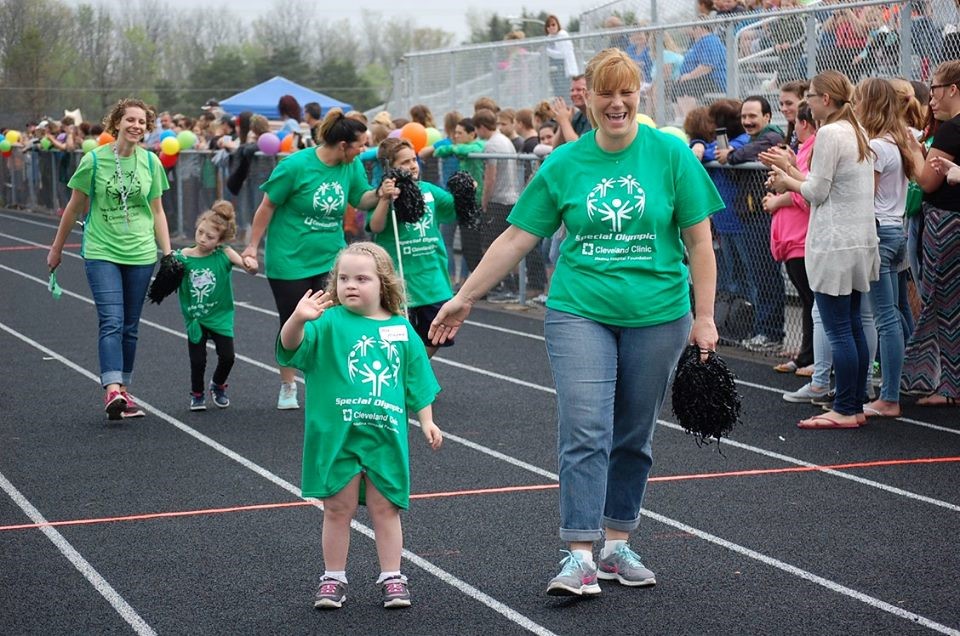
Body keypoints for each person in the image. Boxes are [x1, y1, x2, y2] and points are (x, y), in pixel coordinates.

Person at [429, 48, 723, 596]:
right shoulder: (564, 163)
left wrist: (704, 318)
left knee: (634, 435)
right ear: (587, 99)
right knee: (586, 427)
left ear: (641, 95)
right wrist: (464, 295)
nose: (617, 103)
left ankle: (616, 545)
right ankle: (580, 554)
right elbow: (518, 237)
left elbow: (700, 243)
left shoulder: (671, 155)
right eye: (605, 93)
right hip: (579, 311)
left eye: (626, 92)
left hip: (659, 314)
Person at [277, 242, 442, 610]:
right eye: (344, 278)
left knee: (387, 508)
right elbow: (291, 348)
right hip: (337, 435)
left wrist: (427, 420)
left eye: (362, 278)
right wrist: (298, 318)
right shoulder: (327, 321)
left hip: (385, 437)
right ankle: (333, 578)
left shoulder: (400, 329)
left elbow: (417, 377)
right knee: (338, 507)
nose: (351, 285)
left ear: (382, 284)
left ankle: (393, 576)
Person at [241, 108, 390, 410]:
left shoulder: (351, 166)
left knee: (335, 320)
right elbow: (267, 207)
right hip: (289, 260)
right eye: (361, 145)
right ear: (344, 145)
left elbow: (360, 199)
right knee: (295, 320)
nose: (364, 150)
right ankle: (287, 384)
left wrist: (382, 193)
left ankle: (329, 381)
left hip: (331, 259)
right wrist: (250, 248)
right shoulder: (296, 165)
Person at [47, 97, 172, 420]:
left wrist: (168, 253)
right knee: (112, 321)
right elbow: (74, 208)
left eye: (142, 122)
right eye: (130, 120)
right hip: (102, 250)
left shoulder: (151, 162)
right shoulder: (94, 161)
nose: (136, 126)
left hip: (141, 253)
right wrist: (57, 248)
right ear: (116, 123)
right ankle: (112, 388)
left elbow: (157, 210)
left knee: (130, 327)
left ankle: (124, 391)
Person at [767, 70, 879, 429]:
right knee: (854, 327)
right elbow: (826, 185)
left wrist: (787, 180)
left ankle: (846, 407)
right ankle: (854, 403)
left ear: (826, 100)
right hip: (858, 241)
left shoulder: (831, 132)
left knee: (840, 329)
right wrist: (790, 170)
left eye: (811, 96)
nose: (807, 103)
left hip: (835, 243)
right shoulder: (857, 130)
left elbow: (817, 192)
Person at [853, 78, 917, 418]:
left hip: (879, 232)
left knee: (886, 318)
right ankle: (905, 376)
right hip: (896, 231)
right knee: (894, 312)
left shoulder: (878, 146)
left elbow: (866, 198)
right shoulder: (901, 142)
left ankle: (889, 395)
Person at [901, 60, 960, 407]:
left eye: (935, 89)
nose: (931, 97)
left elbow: (926, 180)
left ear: (953, 89)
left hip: (946, 225)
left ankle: (949, 387)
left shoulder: (953, 129)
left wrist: (910, 148)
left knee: (943, 302)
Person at [369, 138, 457, 357]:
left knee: (438, 334)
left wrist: (466, 191)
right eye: (405, 162)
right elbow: (375, 226)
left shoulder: (429, 191)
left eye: (414, 159)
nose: (413, 165)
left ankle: (415, 373)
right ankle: (405, 379)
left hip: (432, 280)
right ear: (390, 167)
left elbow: (455, 208)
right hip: (399, 281)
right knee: (395, 339)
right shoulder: (384, 194)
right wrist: (384, 200)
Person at [717, 96, 787, 352]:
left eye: (753, 116)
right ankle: (763, 330)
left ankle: (771, 333)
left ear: (767, 117)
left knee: (766, 275)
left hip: (763, 217)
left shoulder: (771, 136)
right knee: (759, 277)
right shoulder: (754, 139)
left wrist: (731, 155)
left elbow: (743, 155)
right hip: (750, 216)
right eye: (743, 117)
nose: (747, 122)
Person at [175, 200, 256, 411]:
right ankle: (197, 393)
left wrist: (251, 264)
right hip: (196, 316)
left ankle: (218, 385)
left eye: (210, 237)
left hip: (220, 314)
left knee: (228, 357)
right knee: (198, 360)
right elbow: (167, 279)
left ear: (220, 241)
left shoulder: (225, 254)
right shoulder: (184, 256)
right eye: (200, 232)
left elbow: (247, 267)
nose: (202, 238)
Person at [760, 101, 816, 376]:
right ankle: (807, 357)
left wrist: (781, 195)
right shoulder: (803, 150)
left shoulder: (814, 148)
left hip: (803, 238)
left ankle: (816, 361)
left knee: (814, 302)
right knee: (809, 302)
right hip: (792, 238)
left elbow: (808, 191)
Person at [545, 14, 579, 100]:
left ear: (558, 25)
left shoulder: (562, 35)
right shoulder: (549, 38)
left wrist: (547, 51)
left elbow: (562, 54)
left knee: (565, 92)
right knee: (557, 93)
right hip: (555, 71)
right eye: (548, 26)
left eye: (553, 25)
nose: (551, 27)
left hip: (564, 70)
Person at [553, 75, 592, 145]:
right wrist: (563, 122)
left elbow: (579, 147)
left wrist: (564, 121)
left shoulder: (596, 116)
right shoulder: (578, 117)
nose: (574, 93)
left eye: (579, 90)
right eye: (572, 90)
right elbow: (556, 147)